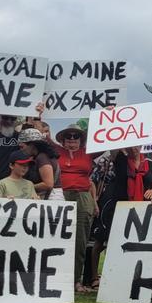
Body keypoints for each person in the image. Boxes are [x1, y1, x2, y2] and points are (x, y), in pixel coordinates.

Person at [90, 146, 152, 290]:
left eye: (137, 145)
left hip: (140, 209)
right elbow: (113, 147)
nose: (134, 148)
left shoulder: (151, 164)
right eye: (131, 145)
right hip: (117, 205)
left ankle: (125, 276)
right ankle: (94, 277)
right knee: (102, 240)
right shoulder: (121, 159)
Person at [54, 124, 97, 293]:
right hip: (60, 195)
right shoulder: (56, 150)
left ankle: (75, 281)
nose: (72, 141)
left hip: (82, 195)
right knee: (57, 235)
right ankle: (55, 276)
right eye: (68, 138)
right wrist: (38, 114)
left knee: (80, 240)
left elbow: (109, 142)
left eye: (76, 138)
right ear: (63, 141)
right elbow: (42, 136)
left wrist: (110, 115)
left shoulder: (88, 152)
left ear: (81, 140)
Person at [18, 128, 63, 200]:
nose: (21, 150)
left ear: (32, 145)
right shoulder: (44, 156)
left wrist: (26, 186)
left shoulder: (42, 157)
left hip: (51, 198)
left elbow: (48, 184)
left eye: (22, 147)